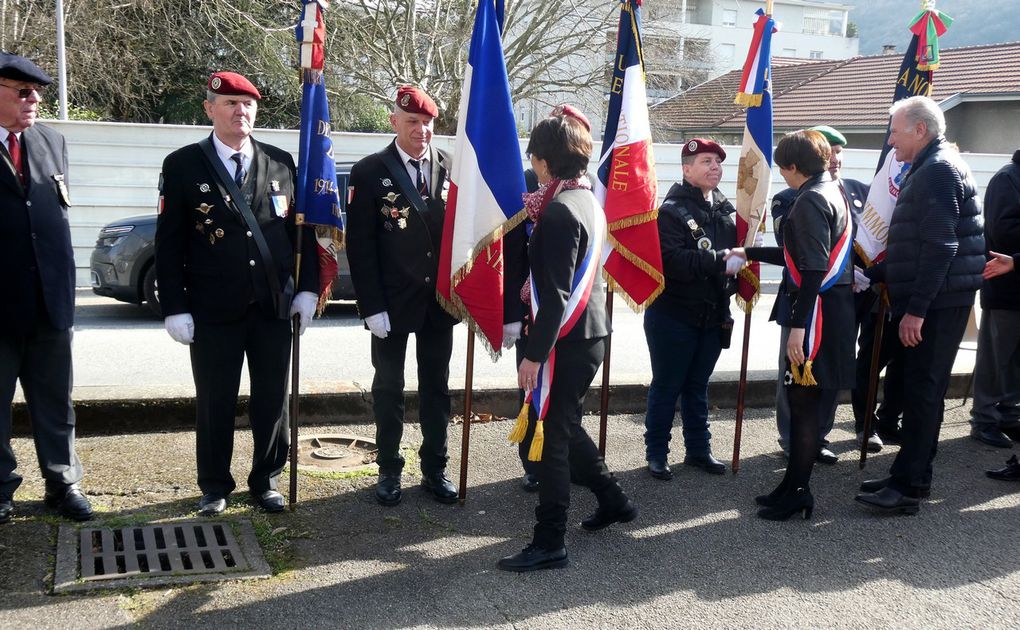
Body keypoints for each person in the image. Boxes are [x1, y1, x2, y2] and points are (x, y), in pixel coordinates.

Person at [155, 71, 319, 516]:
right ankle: (214, 485)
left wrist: (306, 291)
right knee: (215, 399)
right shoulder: (183, 165)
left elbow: (300, 235)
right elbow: (168, 243)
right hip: (212, 308)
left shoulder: (282, 162)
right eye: (228, 103)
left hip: (271, 305)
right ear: (209, 109)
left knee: (271, 397)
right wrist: (175, 307)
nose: (239, 111)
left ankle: (266, 478)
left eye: (246, 104)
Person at [498, 110, 635, 572]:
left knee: (552, 439)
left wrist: (534, 357)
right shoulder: (585, 201)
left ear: (542, 161)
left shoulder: (557, 211)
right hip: (589, 333)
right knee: (568, 425)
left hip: (565, 340)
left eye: (533, 157)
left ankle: (549, 539)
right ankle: (612, 499)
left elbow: (555, 297)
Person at [854, 95, 984, 514]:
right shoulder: (931, 165)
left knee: (923, 391)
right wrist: (871, 274)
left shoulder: (937, 170)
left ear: (920, 130)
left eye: (895, 131)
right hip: (938, 296)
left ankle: (909, 486)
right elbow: (916, 242)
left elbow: (941, 245)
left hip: (938, 302)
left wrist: (917, 310)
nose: (890, 142)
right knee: (917, 388)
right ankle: (910, 475)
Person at [726, 129, 855, 521]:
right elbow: (796, 254)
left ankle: (799, 491)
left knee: (804, 406)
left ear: (793, 167)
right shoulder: (830, 189)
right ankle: (791, 484)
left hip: (817, 316)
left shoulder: (811, 199)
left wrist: (798, 328)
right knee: (804, 406)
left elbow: (814, 267)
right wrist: (748, 251)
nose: (781, 173)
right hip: (830, 309)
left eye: (782, 167)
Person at [346, 86, 459, 507]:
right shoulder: (370, 171)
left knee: (437, 388)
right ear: (394, 122)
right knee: (389, 388)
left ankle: (435, 468)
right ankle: (390, 469)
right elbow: (360, 246)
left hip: (438, 305)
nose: (421, 130)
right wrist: (371, 306)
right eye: (412, 121)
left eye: (427, 123)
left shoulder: (449, 167)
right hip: (391, 304)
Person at [0, 52, 93, 523]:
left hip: (50, 303)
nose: (33, 99)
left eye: (36, 91)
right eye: (21, 91)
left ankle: (63, 483)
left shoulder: (51, 141)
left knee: (56, 403)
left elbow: (52, 221)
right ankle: (0, 490)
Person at [769, 125, 885, 463]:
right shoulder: (793, 197)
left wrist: (868, 272)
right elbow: (801, 255)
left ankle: (817, 436)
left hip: (844, 300)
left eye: (838, 151)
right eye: (828, 150)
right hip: (808, 300)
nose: (834, 158)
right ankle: (794, 440)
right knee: (796, 376)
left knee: (830, 376)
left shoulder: (855, 192)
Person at [642, 138, 737, 480]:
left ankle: (699, 449)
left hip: (711, 315)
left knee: (698, 385)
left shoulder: (725, 212)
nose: (715, 167)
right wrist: (718, 261)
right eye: (706, 161)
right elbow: (671, 262)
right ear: (686, 169)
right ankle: (657, 452)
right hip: (673, 315)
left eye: (717, 162)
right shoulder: (670, 211)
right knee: (667, 385)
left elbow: (737, 258)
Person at [968, 148, 1020, 448]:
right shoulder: (1008, 178)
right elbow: (1004, 231)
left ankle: (1009, 413)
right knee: (995, 360)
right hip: (1005, 287)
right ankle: (984, 419)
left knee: (1016, 361)